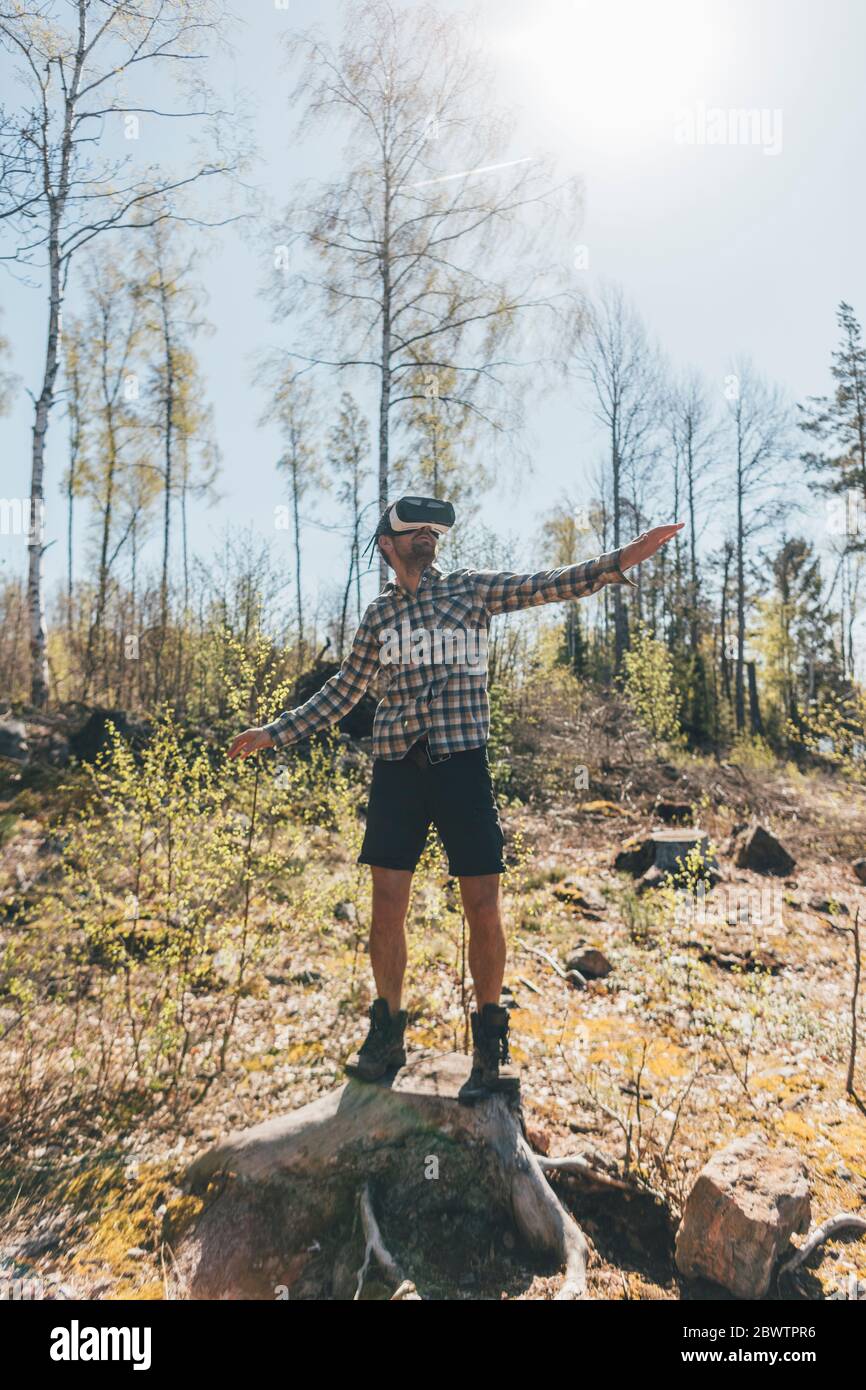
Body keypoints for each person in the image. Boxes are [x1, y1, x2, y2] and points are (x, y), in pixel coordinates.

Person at [228, 497, 683, 1102]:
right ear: (388, 544)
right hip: (396, 769)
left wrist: (619, 560)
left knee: (482, 904)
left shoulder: (470, 592)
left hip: (461, 767)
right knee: (386, 903)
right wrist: (273, 732)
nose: (427, 538)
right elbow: (341, 693)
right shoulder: (378, 618)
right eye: (413, 530)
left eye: (433, 531)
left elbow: (546, 585)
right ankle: (387, 1031)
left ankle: (489, 1044)